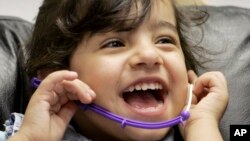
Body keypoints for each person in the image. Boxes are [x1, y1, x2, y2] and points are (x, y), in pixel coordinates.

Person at [1, 0, 228, 140]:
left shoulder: (197, 132)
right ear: (56, 75)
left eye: (164, 40)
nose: (150, 55)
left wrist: (201, 125)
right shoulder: (32, 132)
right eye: (115, 43)